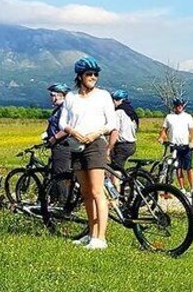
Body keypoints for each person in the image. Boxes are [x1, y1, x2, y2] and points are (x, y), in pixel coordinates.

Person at [59, 56, 118, 250]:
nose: (93, 77)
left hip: (95, 144)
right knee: (85, 192)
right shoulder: (71, 97)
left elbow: (112, 122)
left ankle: (101, 238)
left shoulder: (103, 96)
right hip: (76, 144)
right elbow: (62, 122)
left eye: (95, 74)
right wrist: (73, 132)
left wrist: (95, 133)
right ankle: (91, 234)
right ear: (80, 76)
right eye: (89, 74)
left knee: (96, 190)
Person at [159, 98, 193, 194]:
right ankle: (182, 188)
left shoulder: (188, 117)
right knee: (177, 167)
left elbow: (192, 130)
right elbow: (164, 129)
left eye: (180, 106)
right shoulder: (169, 117)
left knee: (188, 167)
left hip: (186, 146)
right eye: (177, 106)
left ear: (183, 106)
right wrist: (162, 137)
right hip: (174, 145)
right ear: (174, 106)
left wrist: (192, 141)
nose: (179, 107)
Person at [45, 83, 73, 198]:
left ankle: (63, 202)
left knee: (60, 175)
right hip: (56, 145)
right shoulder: (57, 109)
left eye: (54, 95)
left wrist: (54, 138)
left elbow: (67, 129)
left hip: (62, 146)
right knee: (56, 172)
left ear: (63, 95)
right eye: (51, 95)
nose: (52, 98)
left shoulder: (64, 110)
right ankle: (56, 197)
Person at [108, 89, 139, 171]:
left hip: (122, 145)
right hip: (131, 144)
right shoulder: (131, 111)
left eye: (116, 100)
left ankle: (116, 183)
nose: (114, 102)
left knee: (115, 170)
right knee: (119, 167)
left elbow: (115, 131)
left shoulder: (119, 112)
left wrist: (109, 148)